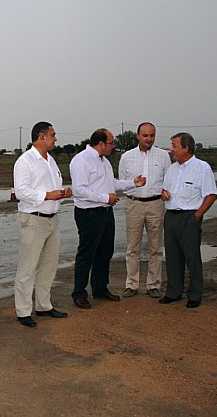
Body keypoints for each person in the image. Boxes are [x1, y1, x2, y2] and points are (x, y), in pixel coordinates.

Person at [70, 128, 146, 309]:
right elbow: (79, 189)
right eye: (111, 143)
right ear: (101, 143)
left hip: (105, 212)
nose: (113, 146)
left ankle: (100, 288)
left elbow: (112, 184)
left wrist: (133, 183)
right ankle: (79, 293)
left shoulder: (104, 162)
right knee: (86, 254)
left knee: (105, 253)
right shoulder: (81, 160)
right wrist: (106, 198)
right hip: (89, 213)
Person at [13, 121, 72, 328]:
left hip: (51, 219)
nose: (56, 138)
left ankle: (44, 305)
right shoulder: (26, 161)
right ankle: (23, 310)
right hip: (33, 220)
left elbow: (52, 189)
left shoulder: (50, 161)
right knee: (28, 267)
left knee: (48, 266)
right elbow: (21, 191)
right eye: (53, 135)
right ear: (41, 137)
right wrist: (47, 195)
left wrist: (63, 194)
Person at [159, 132, 217, 308]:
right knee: (172, 256)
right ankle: (174, 292)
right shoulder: (172, 168)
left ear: (186, 148)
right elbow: (165, 190)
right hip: (170, 216)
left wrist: (197, 215)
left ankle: (195, 294)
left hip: (189, 217)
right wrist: (164, 194)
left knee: (192, 257)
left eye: (175, 146)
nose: (171, 150)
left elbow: (211, 195)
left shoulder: (202, 168)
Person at [118, 122, 171, 298]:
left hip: (156, 205)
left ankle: (154, 285)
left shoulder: (163, 156)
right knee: (133, 247)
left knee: (156, 247)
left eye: (152, 135)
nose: (149, 139)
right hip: (134, 204)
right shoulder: (127, 157)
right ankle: (131, 284)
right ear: (138, 136)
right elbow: (122, 182)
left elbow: (168, 180)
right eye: (145, 135)